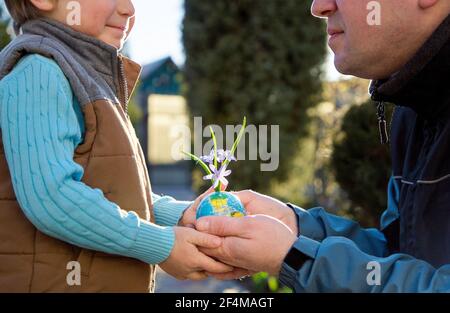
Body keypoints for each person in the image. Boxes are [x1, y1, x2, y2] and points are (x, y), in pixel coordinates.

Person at [197, 0, 450, 292]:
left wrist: (296, 257)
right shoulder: (416, 113)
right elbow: (401, 253)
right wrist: (298, 228)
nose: (319, 7)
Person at [0, 0, 234, 292]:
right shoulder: (39, 73)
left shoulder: (80, 77)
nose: (129, 9)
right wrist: (162, 245)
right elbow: (52, 197)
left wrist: (179, 215)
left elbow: (110, 193)